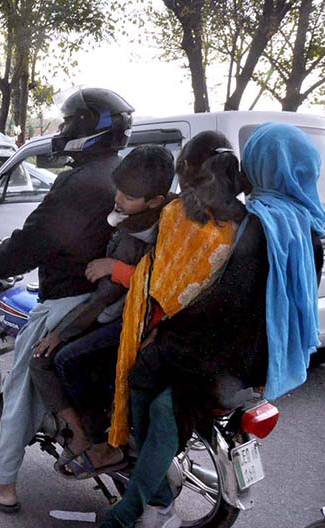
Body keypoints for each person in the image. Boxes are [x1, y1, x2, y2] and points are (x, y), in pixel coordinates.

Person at [0, 87, 134, 513]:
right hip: (115, 299)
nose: (62, 129)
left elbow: (30, 244)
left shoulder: (78, 182)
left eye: (69, 122)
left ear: (89, 127)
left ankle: (2, 487)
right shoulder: (124, 173)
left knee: (19, 388)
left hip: (69, 300)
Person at [97, 131, 258, 528]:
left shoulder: (178, 214)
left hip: (185, 342)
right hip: (233, 350)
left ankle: (137, 507)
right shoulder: (247, 221)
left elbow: (163, 287)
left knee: (147, 396)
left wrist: (153, 330)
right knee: (159, 408)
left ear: (186, 170)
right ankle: (155, 503)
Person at [27, 145, 175, 479]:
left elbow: (105, 299)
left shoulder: (139, 234)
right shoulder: (152, 217)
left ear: (155, 201)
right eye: (118, 190)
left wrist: (59, 333)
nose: (118, 199)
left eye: (129, 196)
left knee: (55, 359)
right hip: (134, 315)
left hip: (133, 320)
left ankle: (91, 442)